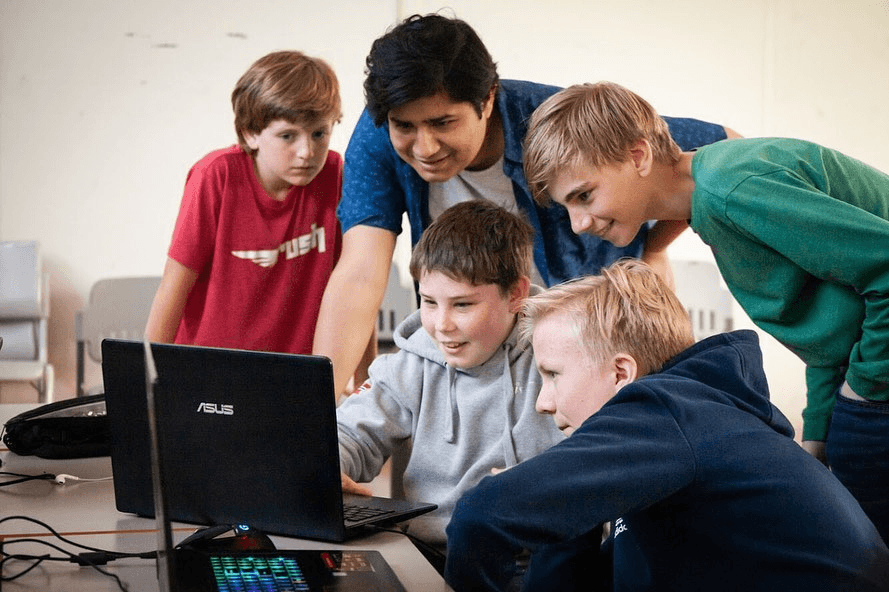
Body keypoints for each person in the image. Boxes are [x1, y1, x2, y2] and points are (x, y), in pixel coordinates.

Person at [521, 80, 889, 543]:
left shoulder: (733, 188)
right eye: (566, 208)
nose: (578, 224)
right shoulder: (711, 207)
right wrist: (817, 431)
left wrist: (864, 390)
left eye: (584, 196)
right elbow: (832, 325)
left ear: (638, 156)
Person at [312, 13, 741, 395]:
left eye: (443, 123)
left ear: (487, 99)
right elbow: (360, 274)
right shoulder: (378, 136)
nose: (424, 146)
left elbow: (723, 150)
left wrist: (655, 246)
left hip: (590, 334)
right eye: (405, 126)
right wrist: (317, 412)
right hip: (477, 337)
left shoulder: (549, 120)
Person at [444, 260, 889, 592]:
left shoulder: (666, 410)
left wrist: (527, 497)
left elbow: (480, 517)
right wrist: (562, 508)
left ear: (621, 374)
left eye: (553, 374)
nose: (543, 402)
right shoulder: (679, 436)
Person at [336, 200, 565, 571]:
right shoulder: (414, 361)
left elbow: (592, 455)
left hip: (535, 564)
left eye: (462, 305)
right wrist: (330, 464)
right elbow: (350, 432)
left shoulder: (559, 356)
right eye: (429, 302)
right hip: (428, 556)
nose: (441, 325)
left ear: (516, 294)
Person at [145, 51, 372, 374]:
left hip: (296, 375)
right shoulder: (215, 176)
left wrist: (366, 383)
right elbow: (173, 288)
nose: (307, 151)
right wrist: (146, 387)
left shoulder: (336, 174)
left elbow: (356, 285)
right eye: (287, 136)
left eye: (319, 133)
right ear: (251, 133)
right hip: (206, 371)